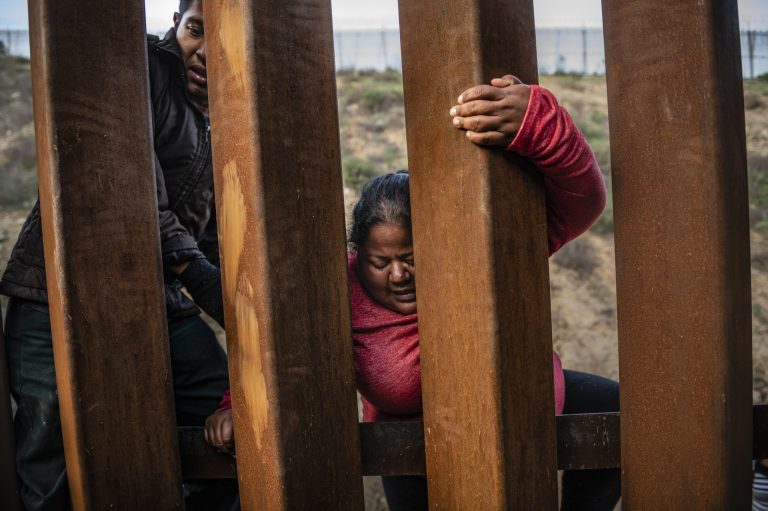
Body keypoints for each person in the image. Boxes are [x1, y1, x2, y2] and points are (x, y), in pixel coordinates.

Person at [205, 76, 620, 510]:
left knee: (615, 408)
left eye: (412, 257)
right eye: (380, 263)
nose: (399, 274)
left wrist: (537, 120)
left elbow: (583, 201)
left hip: (520, 428)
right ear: (358, 254)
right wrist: (238, 406)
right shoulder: (339, 289)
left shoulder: (474, 257)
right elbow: (282, 348)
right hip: (408, 449)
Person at [0, 1, 237, 509]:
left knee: (225, 417)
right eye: (197, 30)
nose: (202, 52)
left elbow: (213, 226)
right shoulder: (139, 67)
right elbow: (131, 188)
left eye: (221, 41)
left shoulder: (227, 116)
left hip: (160, 303)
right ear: (177, 20)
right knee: (52, 450)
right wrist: (196, 272)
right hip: (56, 291)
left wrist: (235, 294)